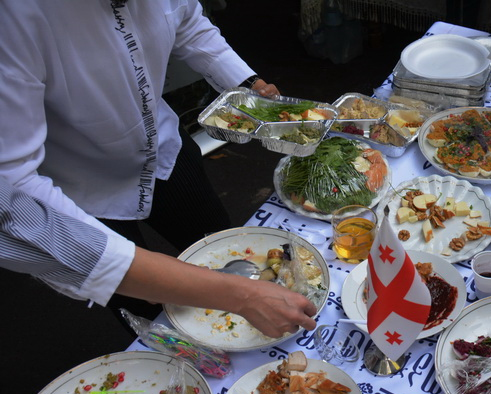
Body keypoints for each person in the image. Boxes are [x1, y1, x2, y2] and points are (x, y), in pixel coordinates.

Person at [0, 0, 278, 254]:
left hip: (164, 149)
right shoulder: (15, 16)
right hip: (80, 185)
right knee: (144, 301)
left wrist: (248, 86)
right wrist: (128, 269)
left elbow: (190, 25)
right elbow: (13, 175)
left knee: (225, 248)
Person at [0, 177, 319, 336]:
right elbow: (59, 240)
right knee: (147, 309)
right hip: (74, 185)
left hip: (158, 146)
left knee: (208, 234)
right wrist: (245, 296)